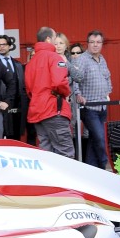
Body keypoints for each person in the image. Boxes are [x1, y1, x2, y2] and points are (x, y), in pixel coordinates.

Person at [24, 27, 75, 158]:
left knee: (46, 154)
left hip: (37, 110)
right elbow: (59, 82)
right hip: (53, 109)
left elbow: (29, 89)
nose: (56, 43)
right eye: (54, 39)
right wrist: (66, 93)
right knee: (65, 153)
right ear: (48, 39)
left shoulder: (31, 62)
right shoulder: (54, 57)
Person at [74, 30, 114, 169]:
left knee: (93, 139)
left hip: (102, 106)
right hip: (89, 108)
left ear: (102, 44)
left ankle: (91, 168)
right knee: (100, 138)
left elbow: (107, 77)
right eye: (92, 42)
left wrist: (108, 90)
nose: (95, 45)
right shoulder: (82, 60)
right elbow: (74, 79)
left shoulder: (102, 59)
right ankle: (103, 165)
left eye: (98, 42)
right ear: (88, 44)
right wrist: (78, 94)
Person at [0, 34, 26, 140]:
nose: (1, 47)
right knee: (0, 136)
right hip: (0, 104)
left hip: (17, 104)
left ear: (9, 46)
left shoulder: (18, 64)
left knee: (16, 136)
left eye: (4, 44)